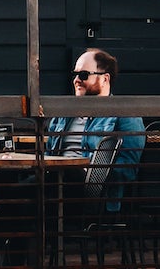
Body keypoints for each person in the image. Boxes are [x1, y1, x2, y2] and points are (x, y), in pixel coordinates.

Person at [45, 49, 146, 210]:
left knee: (59, 181)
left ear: (105, 79)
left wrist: (93, 175)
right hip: (54, 183)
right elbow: (48, 155)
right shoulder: (63, 115)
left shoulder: (124, 115)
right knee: (12, 190)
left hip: (94, 196)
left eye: (84, 75)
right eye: (75, 74)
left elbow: (127, 167)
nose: (77, 80)